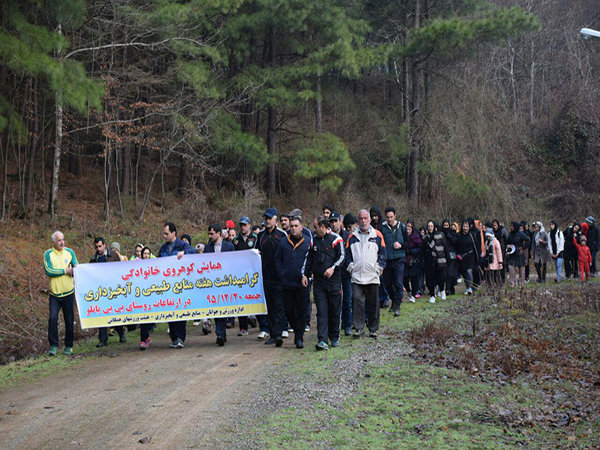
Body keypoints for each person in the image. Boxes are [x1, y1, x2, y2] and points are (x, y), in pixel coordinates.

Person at [345, 209, 386, 338]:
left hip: (372, 276)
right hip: (357, 276)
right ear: (358, 221)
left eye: (365, 218)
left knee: (373, 303)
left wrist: (378, 268)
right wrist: (351, 267)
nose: (363, 221)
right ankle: (358, 328)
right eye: (360, 218)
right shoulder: (351, 237)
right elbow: (347, 255)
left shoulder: (377, 235)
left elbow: (383, 254)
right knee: (357, 303)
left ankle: (373, 329)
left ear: (369, 220)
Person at [275, 216, 312, 349]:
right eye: (291, 226)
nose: (293, 228)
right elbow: (277, 259)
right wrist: (281, 274)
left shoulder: (307, 242)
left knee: (301, 311)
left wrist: (307, 275)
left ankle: (299, 337)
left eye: (296, 226)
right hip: (287, 283)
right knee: (289, 310)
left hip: (302, 283)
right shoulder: (284, 242)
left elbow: (310, 261)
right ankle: (296, 330)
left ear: (301, 227)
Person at [159, 222, 196, 348]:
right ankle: (174, 338)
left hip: (181, 285)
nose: (164, 236)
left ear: (173, 233)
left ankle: (180, 337)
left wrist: (184, 254)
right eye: (163, 233)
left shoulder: (182, 245)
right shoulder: (163, 248)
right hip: (168, 286)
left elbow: (193, 253)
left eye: (166, 233)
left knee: (180, 312)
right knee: (170, 312)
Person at [312, 216, 345, 350]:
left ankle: (334, 336)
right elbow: (309, 259)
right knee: (321, 311)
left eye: (315, 227)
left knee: (334, 310)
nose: (314, 230)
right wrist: (306, 275)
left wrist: (333, 268)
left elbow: (342, 256)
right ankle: (322, 339)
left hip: (334, 282)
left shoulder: (336, 239)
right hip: (319, 283)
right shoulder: (313, 241)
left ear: (322, 227)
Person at [255, 207, 287, 346]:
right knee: (270, 307)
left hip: (279, 277)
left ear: (275, 220)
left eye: (270, 218)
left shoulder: (282, 235)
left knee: (279, 306)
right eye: (266, 218)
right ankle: (273, 334)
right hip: (265, 276)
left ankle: (279, 333)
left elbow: (287, 254)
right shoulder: (260, 236)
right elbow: (255, 254)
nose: (267, 221)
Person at [44, 231, 78, 356]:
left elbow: (76, 267)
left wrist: (74, 270)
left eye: (63, 239)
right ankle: (53, 345)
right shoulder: (48, 254)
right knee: (52, 319)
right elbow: (49, 271)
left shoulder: (70, 252)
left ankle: (69, 346)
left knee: (69, 320)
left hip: (69, 293)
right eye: (59, 240)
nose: (62, 242)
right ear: (54, 242)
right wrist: (65, 270)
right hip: (55, 295)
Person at [91, 237, 126, 347]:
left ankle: (121, 332)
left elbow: (120, 270)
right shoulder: (94, 258)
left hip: (113, 290)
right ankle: (103, 339)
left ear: (105, 245)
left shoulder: (113, 255)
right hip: (101, 291)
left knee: (115, 314)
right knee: (102, 314)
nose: (99, 248)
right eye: (96, 247)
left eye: (100, 246)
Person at [204, 223, 236, 346]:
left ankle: (222, 333)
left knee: (224, 308)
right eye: (209, 234)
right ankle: (220, 334)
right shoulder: (208, 248)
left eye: (212, 233)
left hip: (226, 282)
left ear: (218, 233)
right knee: (216, 309)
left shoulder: (229, 246)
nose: (210, 236)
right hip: (213, 283)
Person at [233, 216, 258, 335]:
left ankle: (261, 325)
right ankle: (243, 327)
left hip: (254, 274)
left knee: (256, 298)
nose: (243, 227)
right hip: (240, 276)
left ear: (249, 225)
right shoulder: (236, 240)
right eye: (241, 225)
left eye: (245, 225)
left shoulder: (256, 238)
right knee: (241, 300)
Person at [329, 211, 352, 336]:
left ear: (340, 222)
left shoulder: (348, 236)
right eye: (331, 222)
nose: (334, 224)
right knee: (335, 301)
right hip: (334, 274)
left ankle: (347, 324)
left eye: (335, 221)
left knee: (347, 300)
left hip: (346, 273)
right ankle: (334, 326)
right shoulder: (328, 237)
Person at [380, 207, 406, 315]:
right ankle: (394, 301)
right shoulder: (383, 228)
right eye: (388, 217)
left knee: (398, 283)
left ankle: (397, 306)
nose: (389, 219)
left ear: (395, 215)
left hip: (399, 259)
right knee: (387, 284)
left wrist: (401, 245)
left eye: (391, 217)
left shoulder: (402, 227)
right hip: (387, 260)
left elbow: (409, 243)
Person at [422, 220, 449, 303]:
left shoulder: (440, 235)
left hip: (439, 260)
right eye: (429, 226)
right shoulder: (425, 237)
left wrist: (447, 258)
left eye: (431, 226)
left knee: (440, 278)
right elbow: (423, 250)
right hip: (429, 261)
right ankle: (432, 295)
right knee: (430, 279)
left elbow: (445, 247)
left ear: (434, 227)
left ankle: (442, 291)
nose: (430, 228)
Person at [506, 222, 531, 288]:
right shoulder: (510, 234)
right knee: (511, 268)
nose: (511, 228)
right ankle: (512, 283)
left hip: (520, 254)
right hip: (512, 253)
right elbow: (508, 242)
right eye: (511, 226)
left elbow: (528, 240)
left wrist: (523, 247)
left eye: (512, 226)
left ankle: (522, 284)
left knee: (521, 270)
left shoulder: (520, 233)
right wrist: (508, 246)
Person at [139, 247, 155, 350]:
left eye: (148, 254)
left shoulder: (154, 266)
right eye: (144, 253)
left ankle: (147, 337)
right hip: (141, 297)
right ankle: (142, 340)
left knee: (150, 320)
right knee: (143, 319)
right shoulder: (137, 266)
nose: (146, 255)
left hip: (152, 296)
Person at [456, 221, 477, 295]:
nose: (465, 228)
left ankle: (470, 287)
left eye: (466, 227)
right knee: (464, 273)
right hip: (462, 257)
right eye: (464, 226)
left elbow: (476, 246)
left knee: (469, 272)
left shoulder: (472, 235)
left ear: (469, 227)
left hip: (470, 256)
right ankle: (467, 287)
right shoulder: (459, 235)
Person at [403, 220, 422, 302]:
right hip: (404, 260)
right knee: (405, 279)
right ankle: (409, 292)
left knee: (414, 279)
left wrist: (412, 251)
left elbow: (420, 248)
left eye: (409, 229)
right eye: (406, 229)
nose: (408, 231)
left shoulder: (416, 237)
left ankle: (414, 294)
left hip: (413, 260)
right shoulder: (403, 237)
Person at [441, 219, 458, 295]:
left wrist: (449, 236)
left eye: (447, 225)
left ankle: (449, 288)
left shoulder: (452, 233)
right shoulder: (441, 233)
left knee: (451, 273)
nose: (446, 227)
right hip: (442, 254)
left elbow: (455, 242)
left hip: (451, 255)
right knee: (444, 274)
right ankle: (446, 288)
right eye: (444, 225)